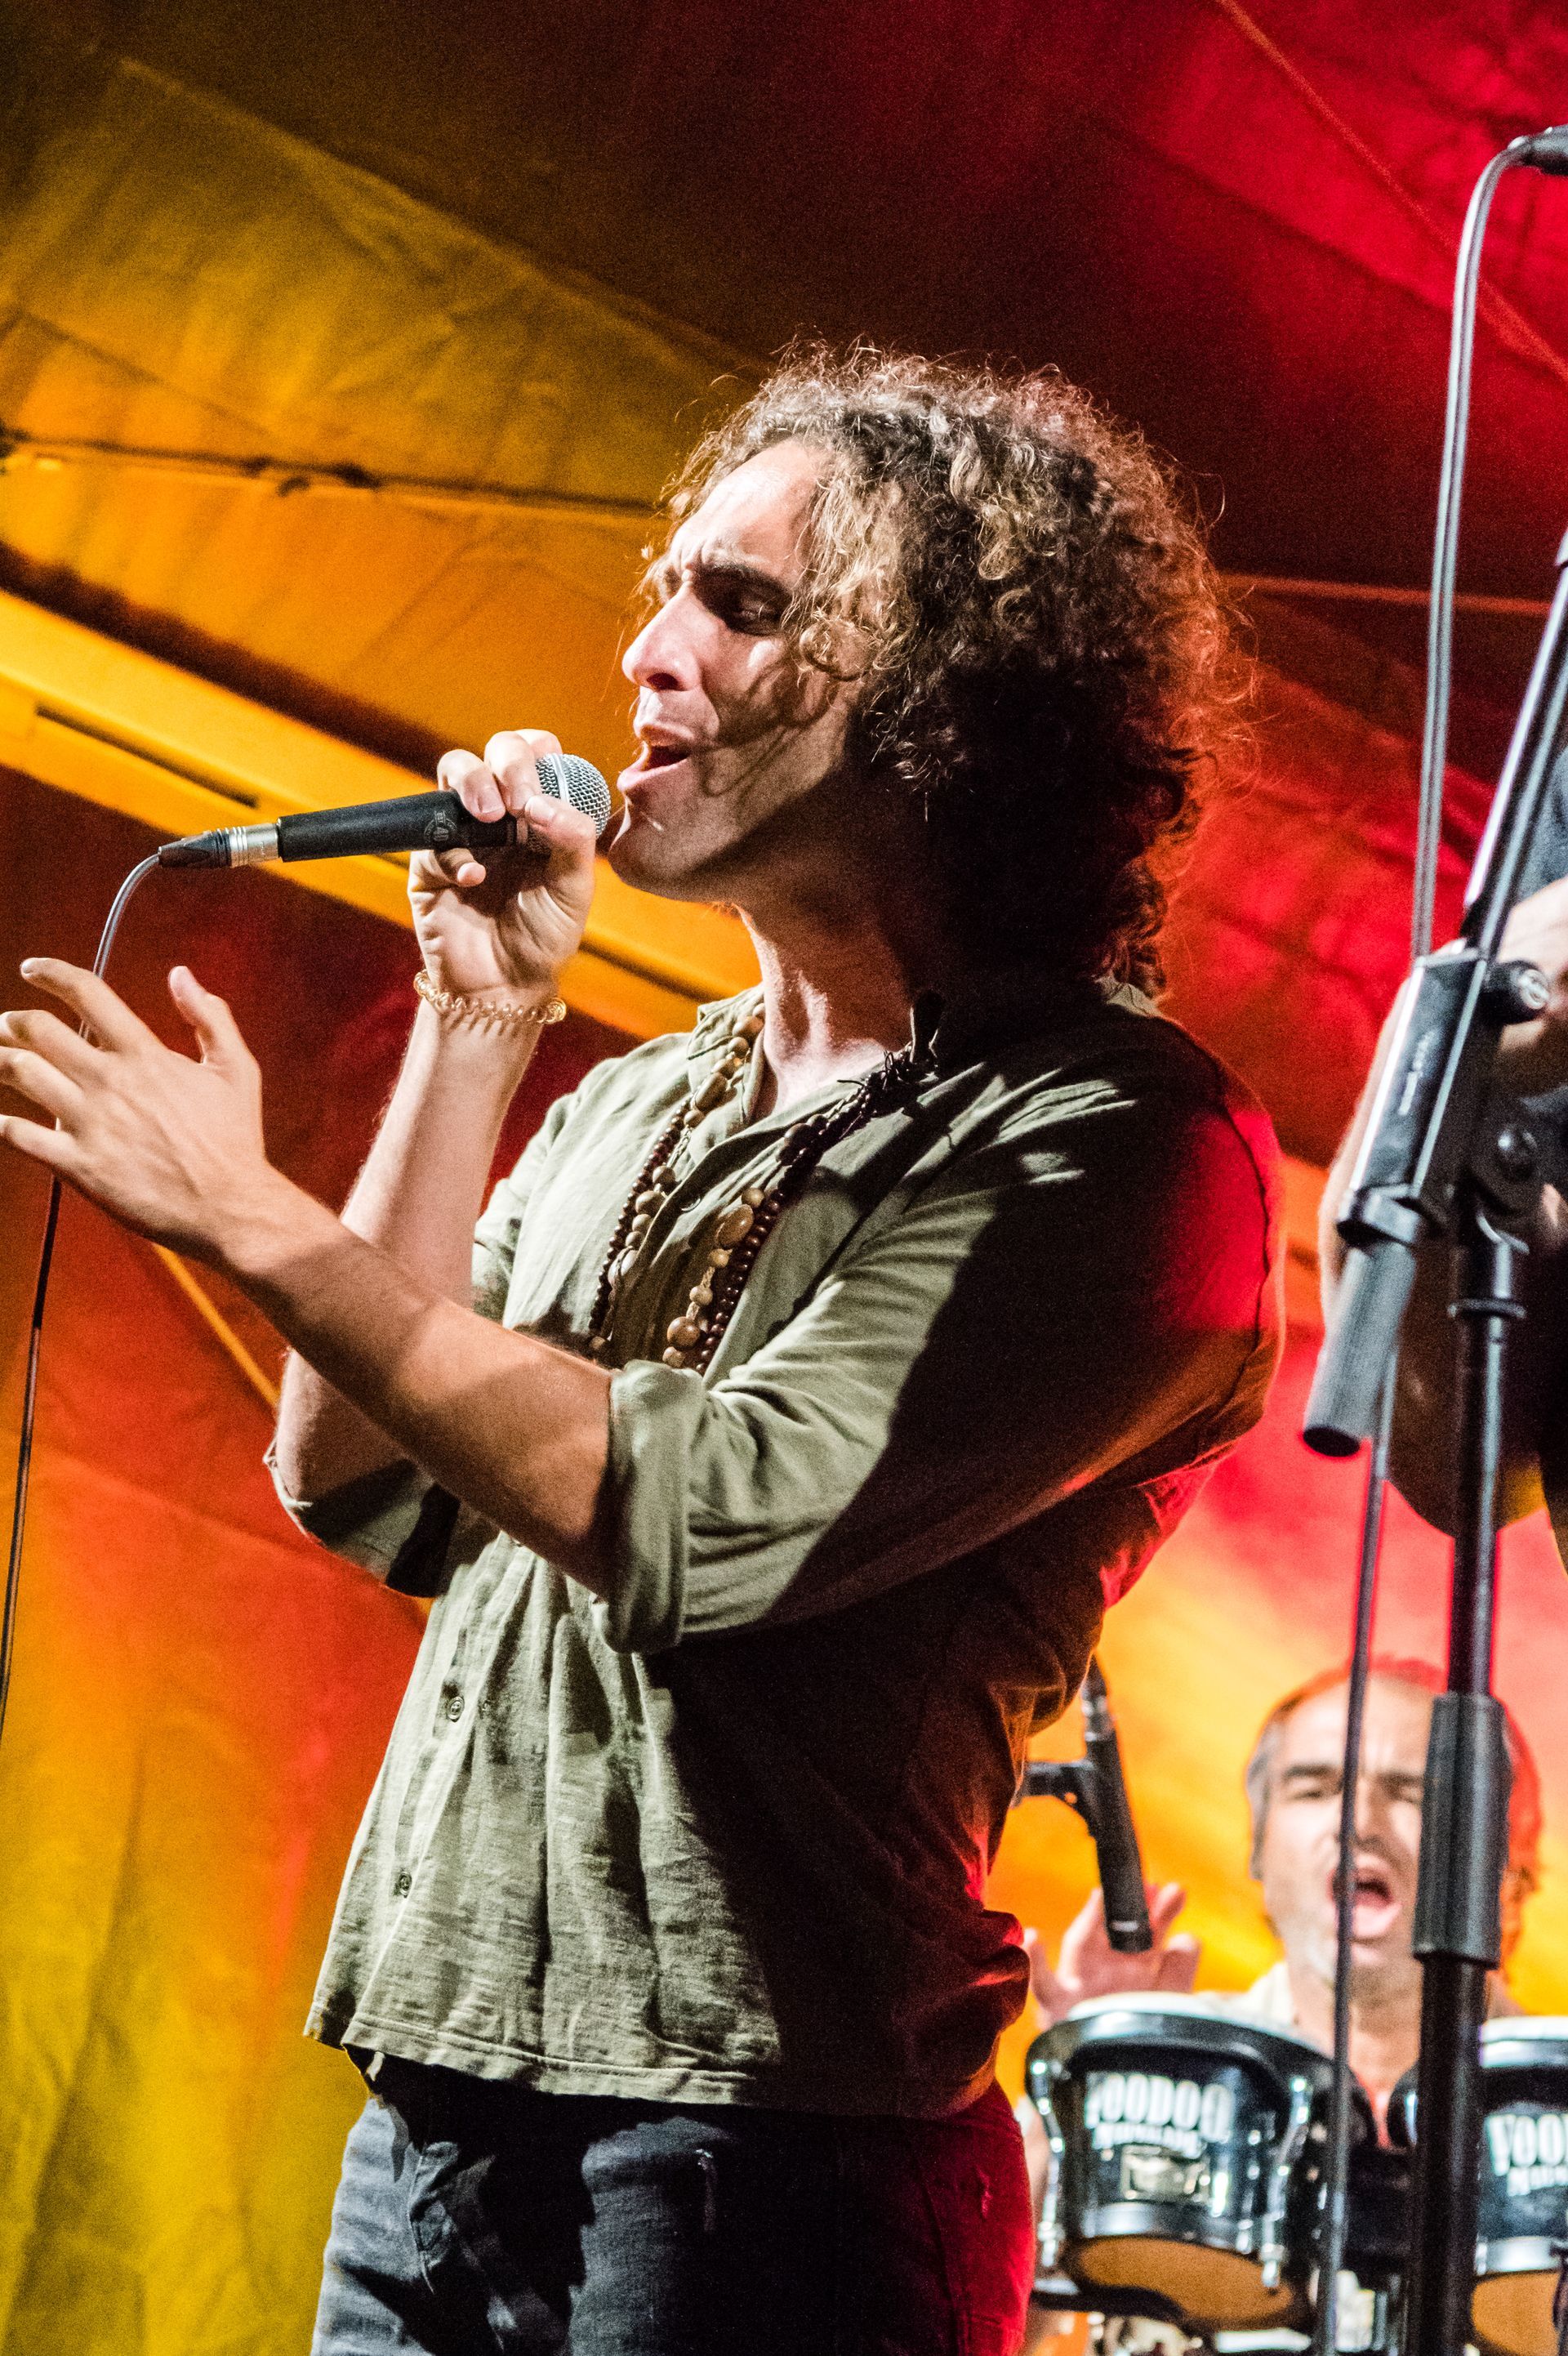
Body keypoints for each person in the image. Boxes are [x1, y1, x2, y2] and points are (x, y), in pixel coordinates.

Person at [0, 348, 1281, 2356]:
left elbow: (705, 1517)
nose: (646, 653)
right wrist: (478, 1023)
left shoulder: (1121, 1140)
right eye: (664, 590)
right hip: (438, 2110)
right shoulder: (648, 1095)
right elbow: (358, 1477)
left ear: (947, 697)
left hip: (768, 2158)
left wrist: (251, 1212)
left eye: (738, 605)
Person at [1017, 1662, 1541, 2352]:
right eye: (1315, 1789)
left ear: (1508, 1869)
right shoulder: (1175, 2063)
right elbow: (969, 2328)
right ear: (1259, 1852)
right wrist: (1078, 2094)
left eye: (1414, 1794)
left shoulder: (1554, 2098)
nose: (1359, 1823)